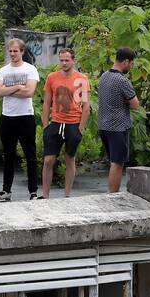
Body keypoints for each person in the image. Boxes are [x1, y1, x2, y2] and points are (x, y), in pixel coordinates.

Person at [0, 38, 41, 201]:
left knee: (30, 155)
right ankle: (6, 190)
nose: (12, 54)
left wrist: (7, 90)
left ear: (22, 51)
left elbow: (29, 92)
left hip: (25, 116)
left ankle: (33, 192)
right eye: (10, 51)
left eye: (16, 51)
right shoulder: (2, 71)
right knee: (8, 155)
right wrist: (18, 87)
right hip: (8, 117)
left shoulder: (30, 69)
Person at [40, 47, 90, 198]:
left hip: (73, 123)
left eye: (67, 60)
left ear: (73, 61)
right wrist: (45, 126)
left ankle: (67, 195)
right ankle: (45, 195)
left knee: (70, 158)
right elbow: (46, 102)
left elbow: (86, 104)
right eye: (61, 60)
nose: (64, 63)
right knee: (48, 160)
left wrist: (81, 127)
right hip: (55, 123)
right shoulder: (52, 77)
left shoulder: (82, 78)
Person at [96, 47, 141, 193]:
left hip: (103, 125)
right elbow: (135, 105)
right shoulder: (122, 80)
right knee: (117, 163)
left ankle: (112, 194)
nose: (131, 67)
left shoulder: (104, 76)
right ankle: (113, 196)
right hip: (118, 127)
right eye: (131, 63)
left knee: (113, 162)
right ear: (126, 61)